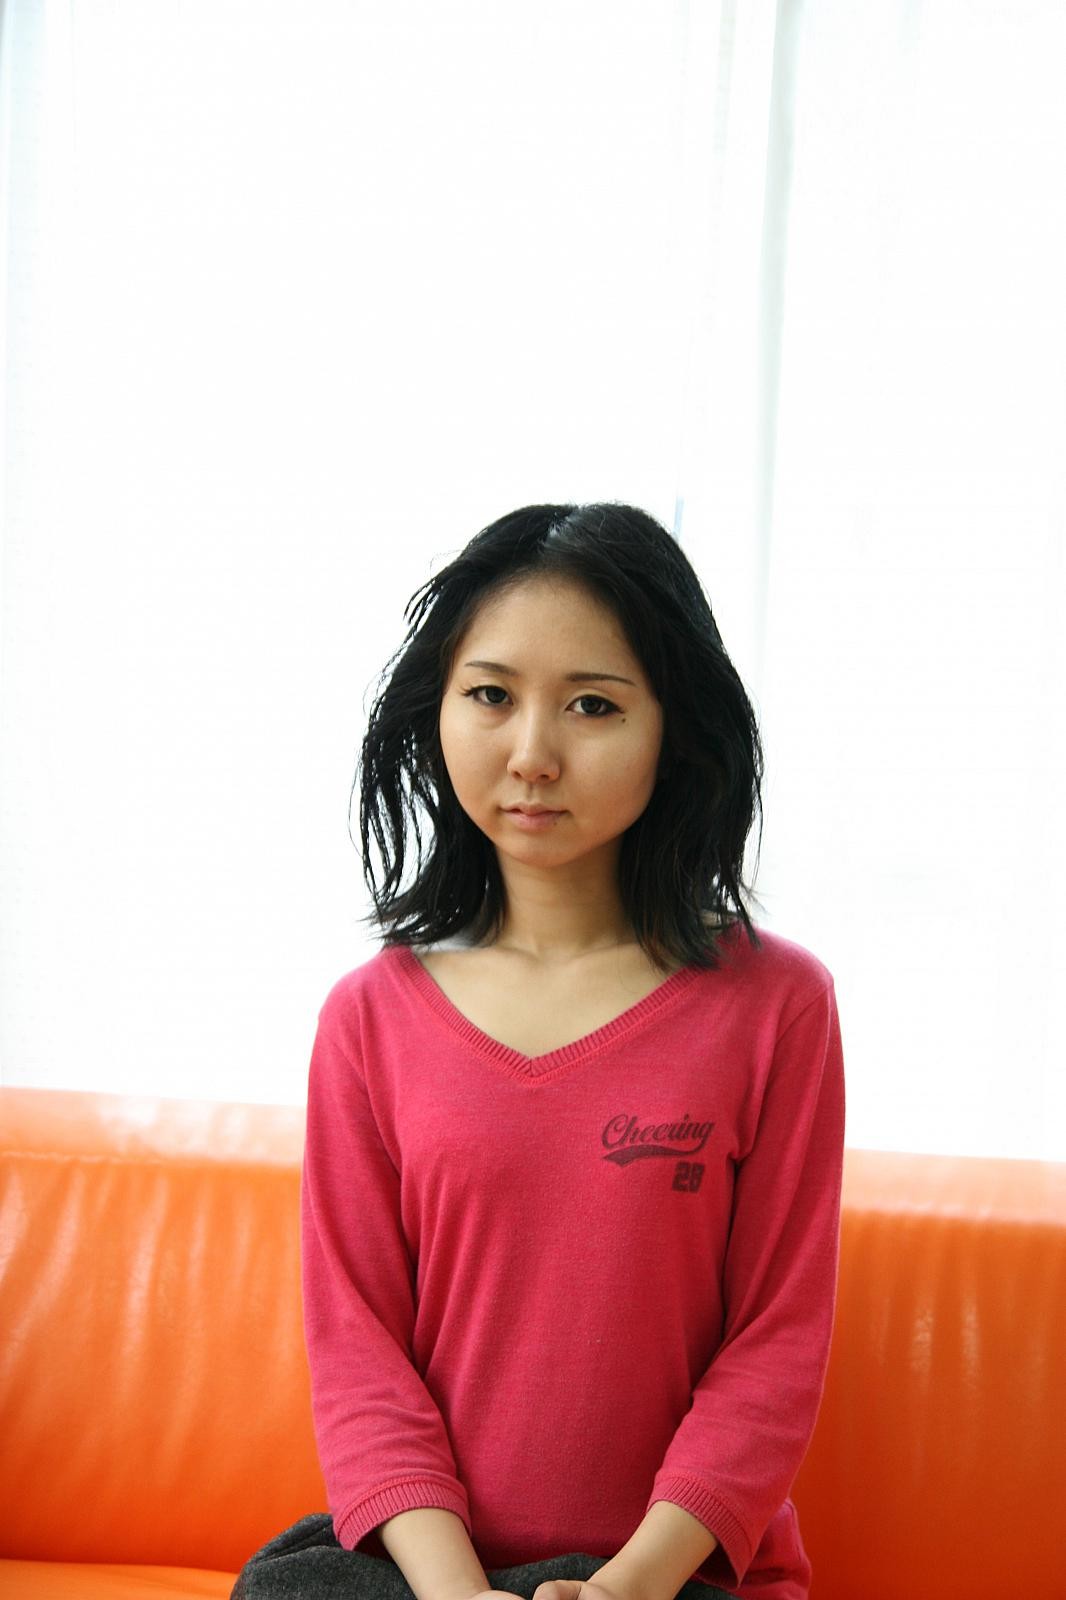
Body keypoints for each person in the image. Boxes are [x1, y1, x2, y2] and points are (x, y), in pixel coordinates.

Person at [231, 503, 845, 1600]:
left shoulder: (777, 1007)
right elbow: (360, 1356)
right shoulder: (367, 1019)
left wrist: (627, 1585)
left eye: (592, 705)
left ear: (674, 727)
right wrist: (458, 1593)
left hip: (671, 1578)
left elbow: (775, 1345)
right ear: (436, 709)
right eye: (491, 695)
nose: (532, 755)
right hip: (430, 1573)